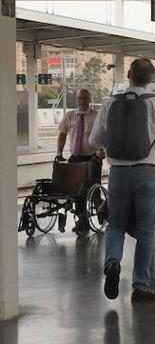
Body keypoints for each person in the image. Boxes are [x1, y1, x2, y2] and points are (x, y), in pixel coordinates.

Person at [89, 57, 155, 302]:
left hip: (117, 174)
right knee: (146, 230)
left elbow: (94, 142)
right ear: (150, 79)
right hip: (147, 172)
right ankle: (140, 285)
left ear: (128, 74)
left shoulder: (109, 103)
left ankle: (113, 263)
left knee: (116, 224)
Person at [56, 88, 102, 235]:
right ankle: (81, 221)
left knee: (92, 188)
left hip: (92, 158)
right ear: (76, 100)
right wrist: (59, 152)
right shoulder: (70, 116)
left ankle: (100, 208)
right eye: (79, 98)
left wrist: (102, 151)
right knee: (77, 191)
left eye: (85, 98)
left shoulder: (96, 116)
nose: (82, 101)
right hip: (75, 157)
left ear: (89, 100)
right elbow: (62, 134)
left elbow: (104, 135)